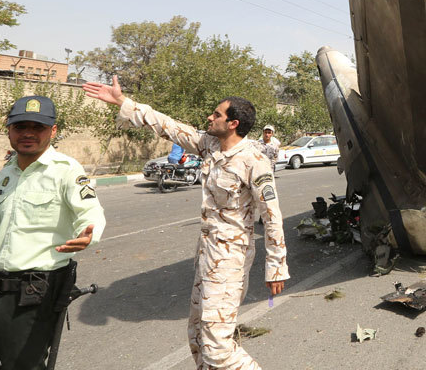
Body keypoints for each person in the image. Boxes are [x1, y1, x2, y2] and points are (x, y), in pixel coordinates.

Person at [82, 76, 289, 370]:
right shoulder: (209, 145)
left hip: (231, 257)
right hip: (205, 253)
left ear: (233, 123)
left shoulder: (254, 160)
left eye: (216, 114)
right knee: (197, 337)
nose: (210, 116)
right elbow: (168, 126)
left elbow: (272, 215)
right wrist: (123, 102)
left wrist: (276, 267)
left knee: (217, 348)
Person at [0, 95, 106, 370]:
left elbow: (90, 213)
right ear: (9, 130)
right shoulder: (6, 173)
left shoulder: (66, 170)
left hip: (34, 291)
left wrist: (89, 235)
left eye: (37, 127)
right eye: (20, 126)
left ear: (53, 130)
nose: (27, 133)